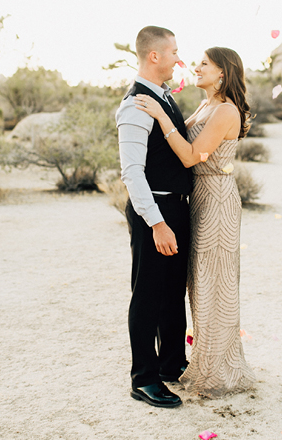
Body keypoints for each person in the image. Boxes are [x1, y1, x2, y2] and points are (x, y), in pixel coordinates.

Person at [134, 46, 256, 398]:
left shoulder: (226, 110)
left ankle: (221, 369)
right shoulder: (206, 105)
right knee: (199, 283)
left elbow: (190, 157)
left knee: (215, 282)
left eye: (205, 63)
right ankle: (203, 360)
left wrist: (161, 116)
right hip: (199, 198)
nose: (197, 67)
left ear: (222, 73)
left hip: (217, 198)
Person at [116, 26, 192, 408]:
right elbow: (132, 172)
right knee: (147, 295)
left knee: (171, 292)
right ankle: (143, 379)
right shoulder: (135, 105)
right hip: (156, 211)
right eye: (174, 52)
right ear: (154, 56)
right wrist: (157, 221)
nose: (180, 58)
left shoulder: (162, 97)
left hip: (176, 206)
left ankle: (171, 364)